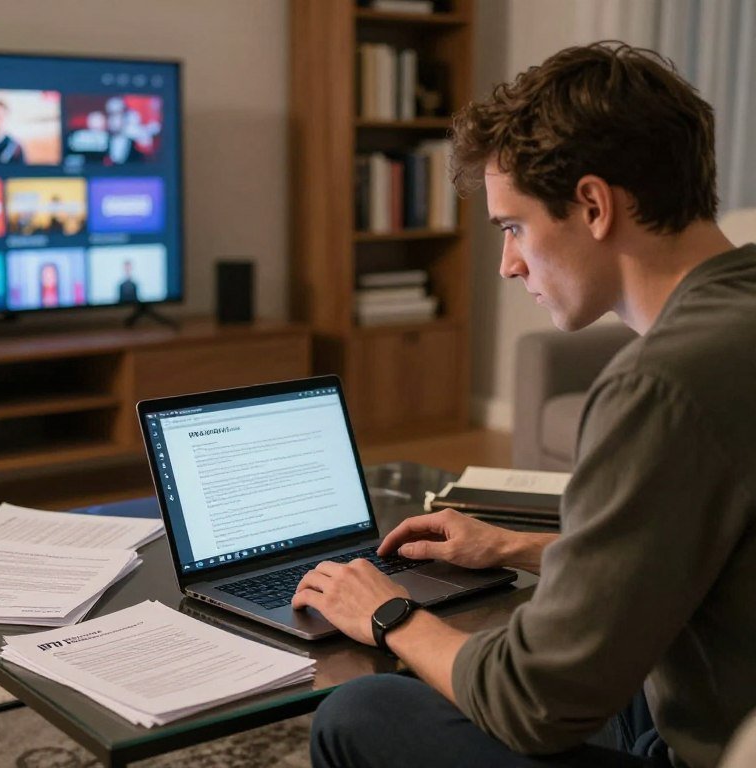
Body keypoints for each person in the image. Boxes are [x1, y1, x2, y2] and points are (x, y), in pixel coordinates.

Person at [296, 42, 756, 768]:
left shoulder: (660, 383)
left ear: (594, 206)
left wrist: (387, 614)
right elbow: (708, 556)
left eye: (513, 227)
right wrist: (517, 548)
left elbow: (536, 705)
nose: (510, 264)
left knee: (361, 712)